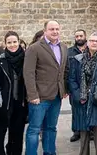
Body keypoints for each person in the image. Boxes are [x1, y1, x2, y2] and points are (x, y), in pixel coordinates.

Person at [23, 21, 69, 155]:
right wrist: (32, 95)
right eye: (51, 29)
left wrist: (64, 89)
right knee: (34, 129)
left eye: (57, 29)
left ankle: (49, 152)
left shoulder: (64, 47)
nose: (55, 31)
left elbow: (65, 70)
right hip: (39, 97)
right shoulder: (35, 48)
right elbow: (28, 73)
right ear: (45, 31)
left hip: (56, 96)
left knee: (51, 128)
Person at [0, 31, 28, 155]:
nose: (12, 45)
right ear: (5, 44)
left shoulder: (27, 59)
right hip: (4, 104)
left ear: (19, 42)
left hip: (20, 103)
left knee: (17, 135)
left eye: (14, 42)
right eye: (9, 42)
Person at [68, 29, 88, 142]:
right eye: (77, 36)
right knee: (75, 109)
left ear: (85, 37)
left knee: (87, 110)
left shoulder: (90, 49)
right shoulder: (70, 51)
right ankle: (76, 131)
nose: (79, 38)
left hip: (87, 84)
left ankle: (88, 131)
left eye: (81, 36)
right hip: (74, 84)